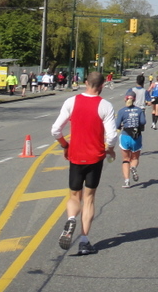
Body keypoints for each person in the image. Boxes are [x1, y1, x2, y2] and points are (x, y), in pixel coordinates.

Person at [51, 71, 117, 256]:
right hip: (95, 157)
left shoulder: (71, 102)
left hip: (76, 155)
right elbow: (112, 135)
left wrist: (65, 145)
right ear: (102, 85)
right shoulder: (105, 105)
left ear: (85, 83)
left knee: (74, 195)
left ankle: (71, 218)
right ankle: (84, 240)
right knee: (89, 198)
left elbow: (56, 130)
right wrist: (109, 148)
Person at [115, 91, 146, 187]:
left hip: (125, 136)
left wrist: (121, 126)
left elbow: (117, 125)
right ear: (135, 99)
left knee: (125, 159)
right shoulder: (139, 110)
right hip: (136, 137)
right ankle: (133, 167)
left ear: (125, 98)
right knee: (135, 158)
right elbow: (143, 122)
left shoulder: (121, 111)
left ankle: (127, 181)